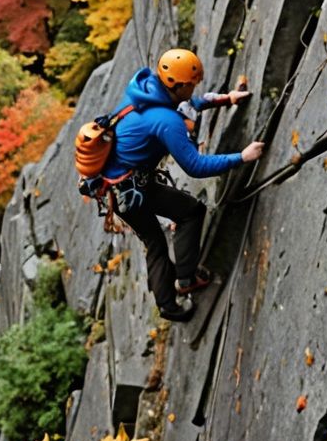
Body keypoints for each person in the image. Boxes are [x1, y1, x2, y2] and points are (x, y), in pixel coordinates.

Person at [103, 48, 265, 322]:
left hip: (121, 184)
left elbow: (188, 104)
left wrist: (226, 99)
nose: (194, 88)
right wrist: (242, 157)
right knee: (184, 217)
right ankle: (177, 293)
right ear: (177, 85)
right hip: (132, 193)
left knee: (163, 233)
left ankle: (181, 284)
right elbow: (195, 166)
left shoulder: (146, 92)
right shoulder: (166, 122)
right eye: (191, 84)